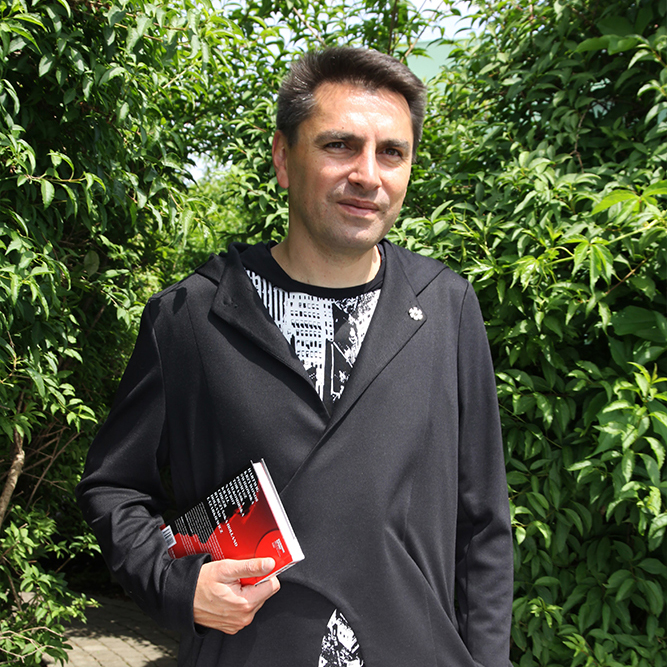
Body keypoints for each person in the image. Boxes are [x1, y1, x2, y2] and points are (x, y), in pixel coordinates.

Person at [77, 47, 513, 667]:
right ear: (284, 158)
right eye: (340, 145)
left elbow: (484, 525)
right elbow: (114, 486)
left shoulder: (445, 308)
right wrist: (178, 583)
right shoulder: (193, 317)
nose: (368, 175)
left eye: (392, 152)